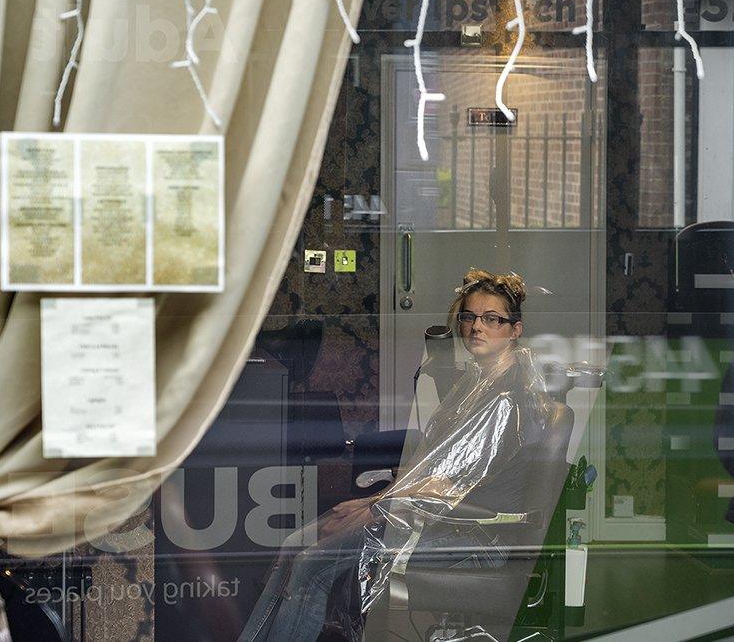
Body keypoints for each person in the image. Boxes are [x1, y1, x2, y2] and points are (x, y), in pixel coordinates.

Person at [238, 270, 555, 642]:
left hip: (476, 535)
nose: (476, 327)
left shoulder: (504, 399)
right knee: (297, 546)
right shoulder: (477, 384)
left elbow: (448, 485)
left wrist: (370, 509)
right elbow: (438, 471)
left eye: (492, 319)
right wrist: (373, 503)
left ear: (514, 330)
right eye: (468, 317)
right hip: (442, 521)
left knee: (312, 563)